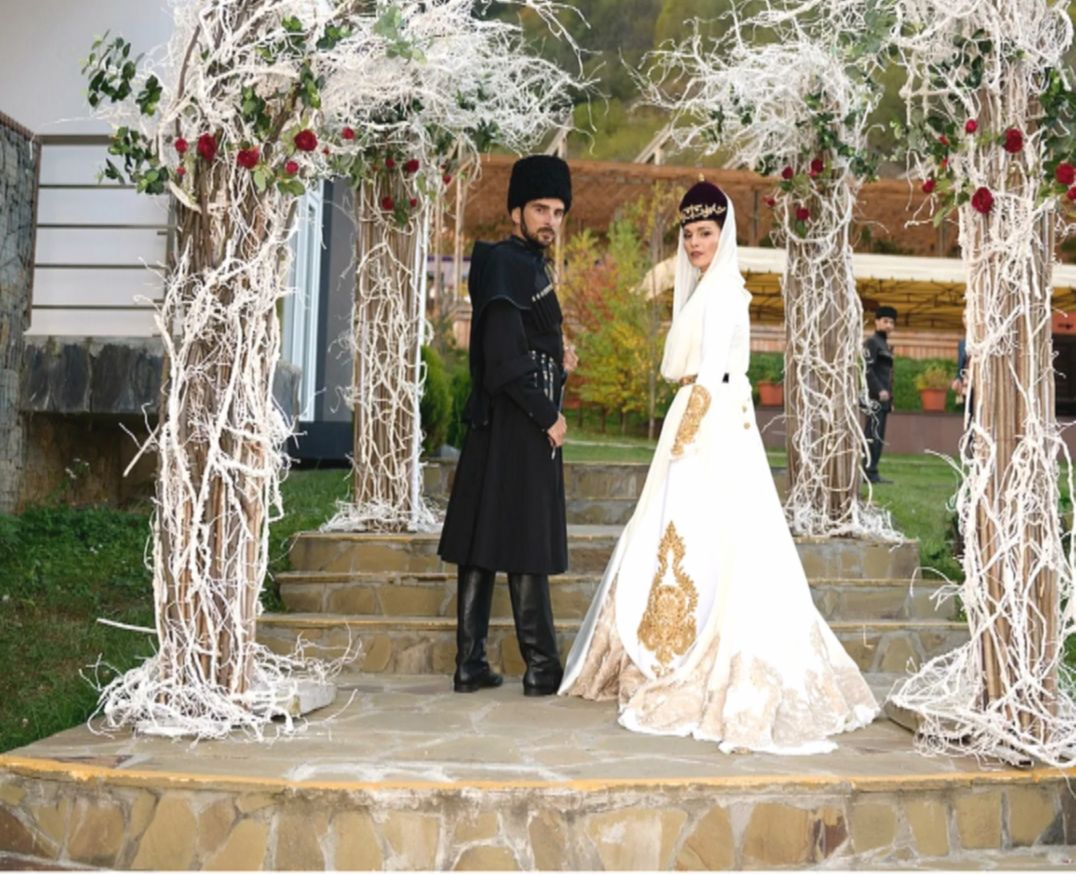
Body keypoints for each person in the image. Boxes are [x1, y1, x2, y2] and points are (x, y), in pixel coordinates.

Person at [558, 181, 878, 754]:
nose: (694, 243)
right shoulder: (704, 288)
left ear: (723, 235)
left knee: (715, 535)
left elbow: (710, 370)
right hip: (699, 412)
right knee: (675, 532)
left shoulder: (727, 289)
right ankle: (663, 645)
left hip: (711, 422)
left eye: (705, 233)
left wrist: (687, 433)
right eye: (688, 234)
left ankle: (701, 652)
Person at [438, 154, 577, 697]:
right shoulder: (502, 262)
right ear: (516, 210)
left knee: (486, 535)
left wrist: (558, 357)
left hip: (510, 416)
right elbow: (501, 356)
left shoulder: (525, 264)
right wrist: (548, 415)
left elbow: (524, 341)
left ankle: (471, 663)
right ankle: (541, 665)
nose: (550, 220)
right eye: (540, 209)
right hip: (517, 418)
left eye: (558, 212)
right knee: (524, 537)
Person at [863, 306, 897, 484]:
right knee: (872, 435)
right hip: (874, 398)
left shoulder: (884, 344)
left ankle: (872, 471)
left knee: (878, 436)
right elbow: (867, 369)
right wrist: (879, 390)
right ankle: (867, 471)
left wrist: (891, 399)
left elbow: (888, 375)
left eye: (891, 322)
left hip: (884, 400)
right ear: (876, 322)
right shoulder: (872, 342)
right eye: (885, 321)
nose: (889, 325)